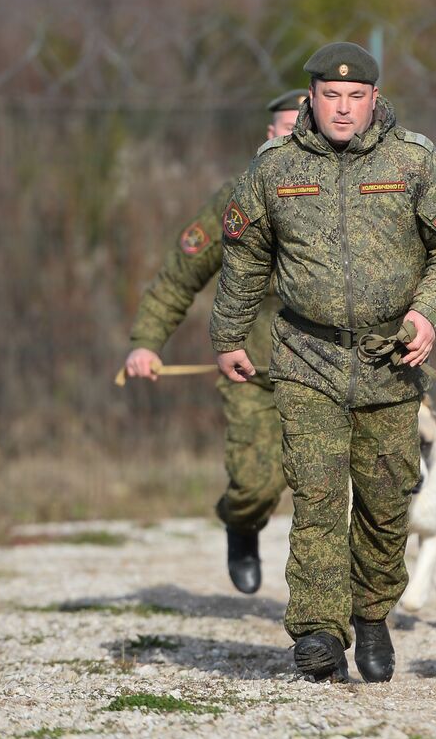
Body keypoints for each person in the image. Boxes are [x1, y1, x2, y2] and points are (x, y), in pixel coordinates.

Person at [211, 42, 436, 683]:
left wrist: (426, 313)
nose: (342, 108)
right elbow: (245, 253)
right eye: (330, 95)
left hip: (391, 359)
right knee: (319, 494)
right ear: (311, 98)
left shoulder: (413, 160)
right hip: (307, 354)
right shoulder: (275, 166)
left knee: (387, 500)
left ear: (373, 99)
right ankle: (318, 632)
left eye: (355, 96)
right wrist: (228, 336)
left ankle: (371, 613)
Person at [123, 89, 308, 594]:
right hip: (253, 372)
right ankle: (242, 523)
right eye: (288, 129)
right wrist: (146, 342)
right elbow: (178, 277)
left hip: (330, 373)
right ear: (269, 136)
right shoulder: (237, 200)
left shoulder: (347, 198)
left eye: (306, 127)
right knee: (255, 485)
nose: (297, 138)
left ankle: (337, 613)